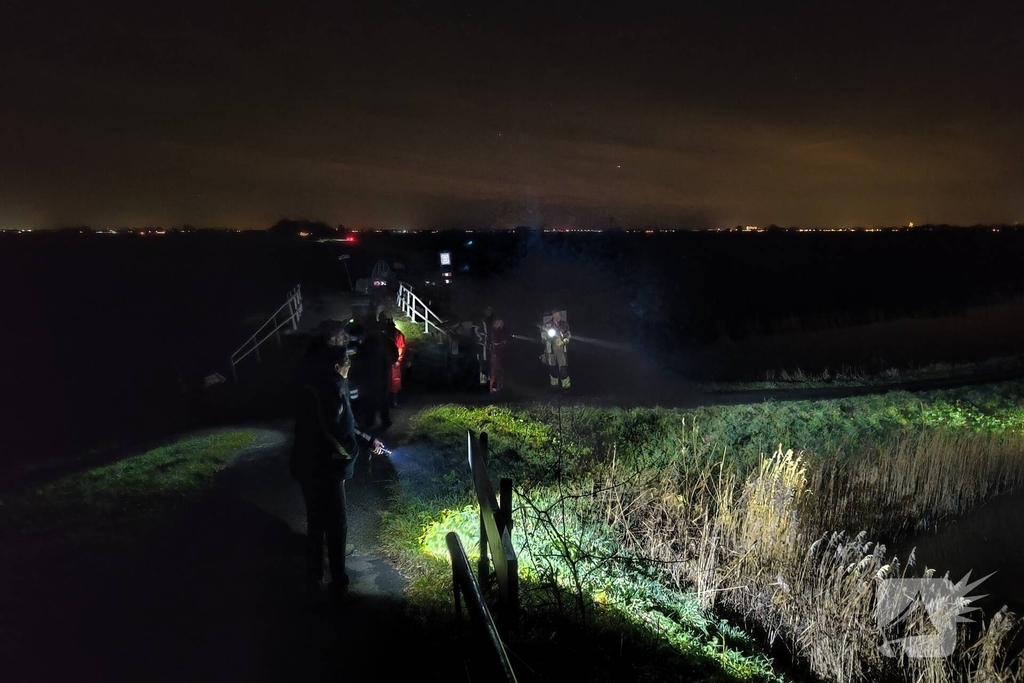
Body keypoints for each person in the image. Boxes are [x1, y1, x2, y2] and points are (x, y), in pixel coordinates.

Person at [290, 339, 384, 604]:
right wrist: (352, 452)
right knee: (335, 524)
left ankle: (315, 576)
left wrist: (367, 440)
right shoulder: (328, 389)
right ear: (335, 366)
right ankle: (336, 581)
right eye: (346, 361)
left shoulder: (325, 385)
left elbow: (345, 425)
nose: (350, 364)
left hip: (313, 466)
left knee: (317, 521)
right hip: (323, 468)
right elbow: (334, 431)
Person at [540, 309, 571, 389]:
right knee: (552, 367)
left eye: (559, 315)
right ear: (553, 316)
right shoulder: (547, 325)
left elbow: (568, 334)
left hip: (561, 349)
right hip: (550, 349)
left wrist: (565, 340)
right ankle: (554, 385)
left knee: (563, 367)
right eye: (556, 315)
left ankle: (566, 386)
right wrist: (548, 336)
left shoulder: (564, 324)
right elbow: (543, 335)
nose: (558, 317)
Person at [382, 316, 406, 408]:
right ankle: (387, 402)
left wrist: (398, 360)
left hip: (393, 361)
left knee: (394, 382)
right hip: (386, 361)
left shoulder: (397, 334)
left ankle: (393, 402)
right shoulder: (385, 334)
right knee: (387, 381)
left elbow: (401, 347)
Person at [488, 318, 507, 394]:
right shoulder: (493, 331)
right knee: (494, 371)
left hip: (499, 353)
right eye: (500, 322)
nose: (501, 324)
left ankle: (498, 387)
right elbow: (493, 341)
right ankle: (492, 388)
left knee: (499, 371)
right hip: (494, 353)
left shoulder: (500, 331)